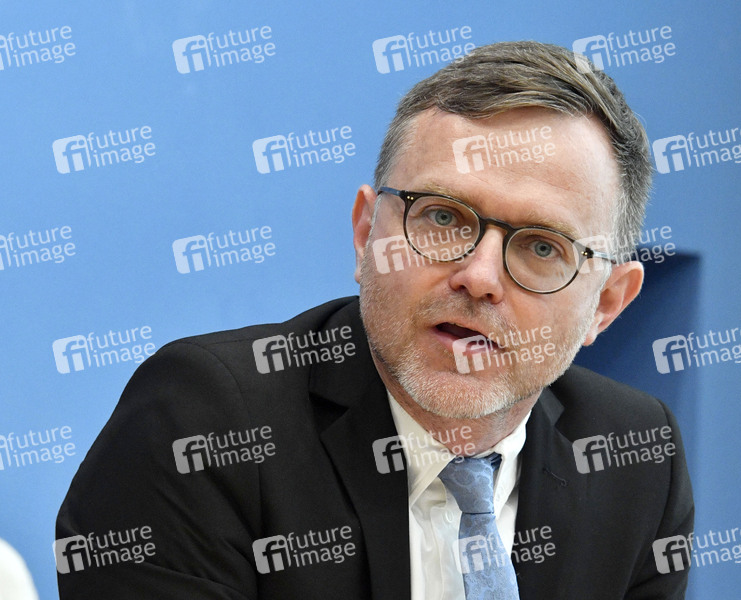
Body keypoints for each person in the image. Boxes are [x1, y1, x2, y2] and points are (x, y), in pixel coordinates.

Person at [57, 41, 693, 599]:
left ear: (606, 303)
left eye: (542, 246)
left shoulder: (633, 457)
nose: (478, 277)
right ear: (366, 234)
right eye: (442, 216)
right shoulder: (207, 421)